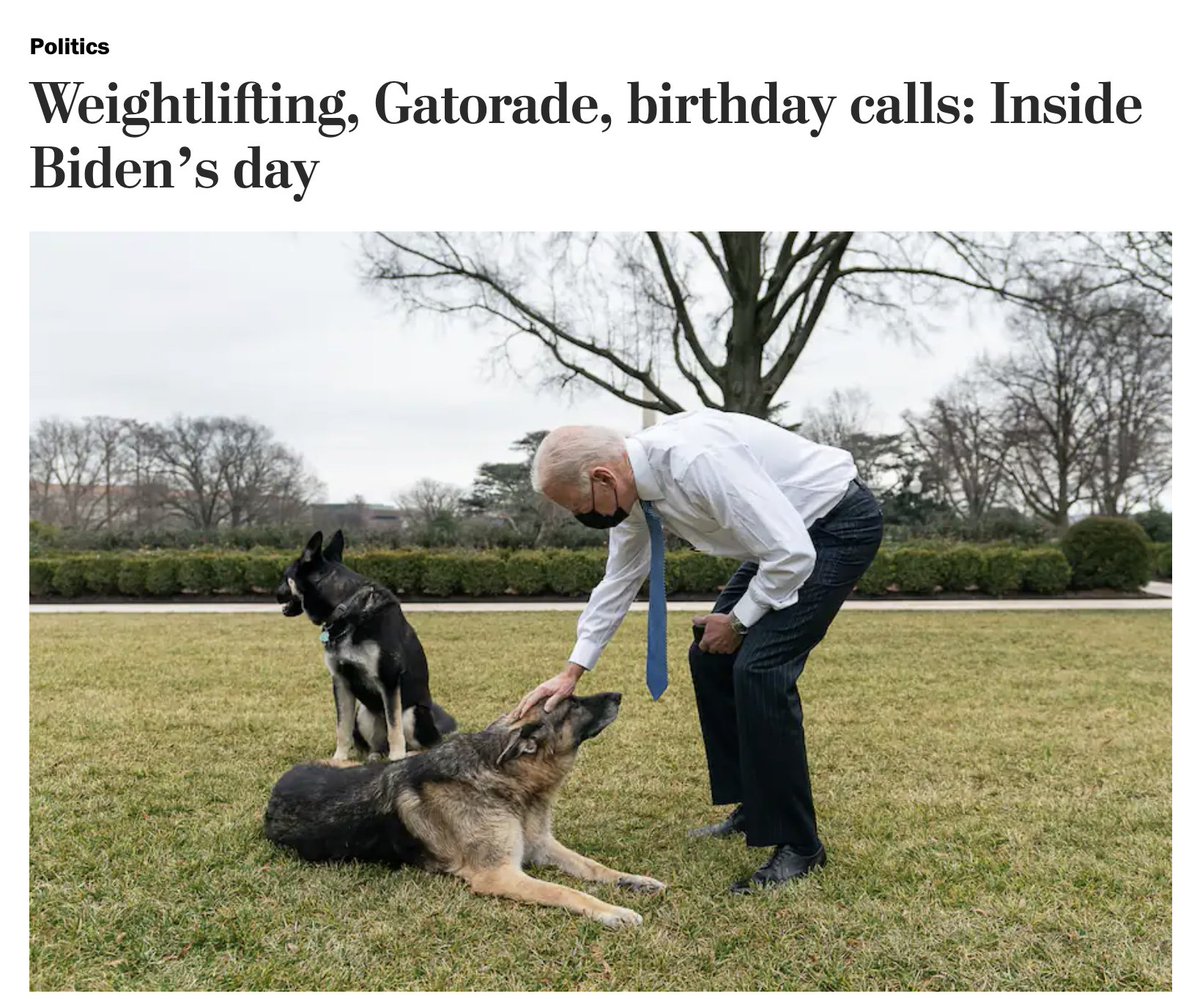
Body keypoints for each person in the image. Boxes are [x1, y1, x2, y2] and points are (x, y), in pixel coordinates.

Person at [514, 409, 884, 893]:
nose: (583, 518)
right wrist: (572, 673)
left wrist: (739, 621)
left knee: (760, 669)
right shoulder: (631, 494)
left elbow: (793, 554)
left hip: (833, 527)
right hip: (782, 541)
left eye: (580, 507)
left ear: (603, 477)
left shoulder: (696, 462)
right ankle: (755, 806)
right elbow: (620, 580)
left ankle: (800, 844)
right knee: (711, 657)